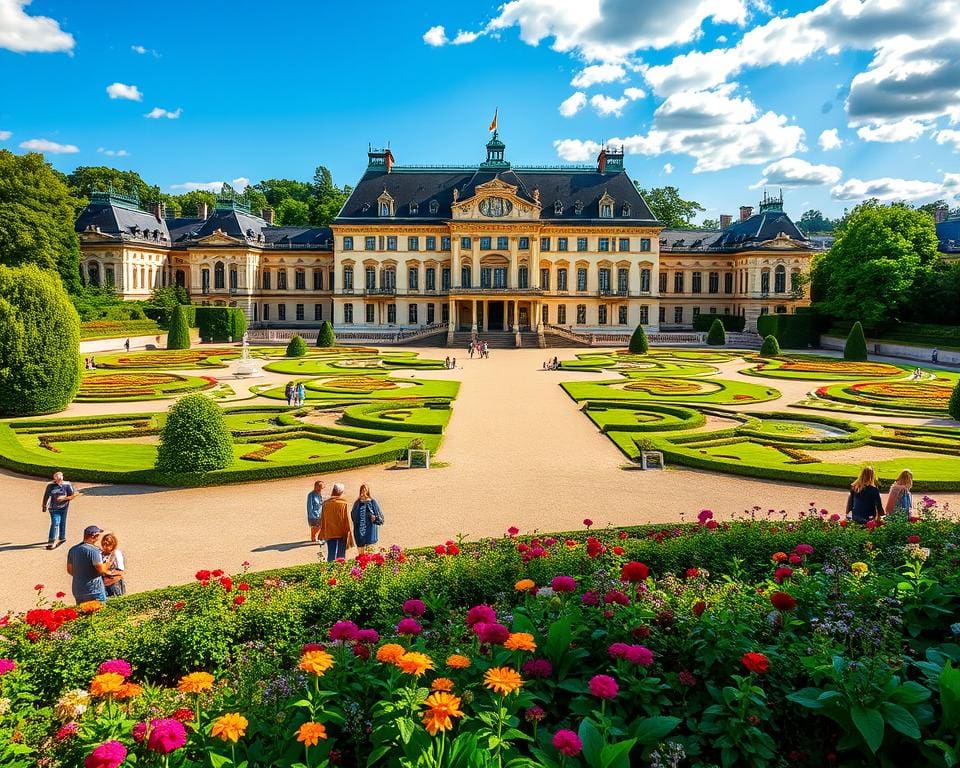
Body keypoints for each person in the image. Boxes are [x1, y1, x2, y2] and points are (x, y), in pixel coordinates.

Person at [66, 525, 109, 604]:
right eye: (98, 535)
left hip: (78, 590)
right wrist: (108, 563)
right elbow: (101, 570)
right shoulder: (94, 551)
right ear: (94, 536)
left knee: (82, 614)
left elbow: (69, 570)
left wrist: (82, 576)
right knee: (100, 612)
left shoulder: (73, 549)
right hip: (94, 590)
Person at [42, 471, 76, 550]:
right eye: (57, 479)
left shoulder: (67, 484)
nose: (59, 481)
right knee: (55, 523)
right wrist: (44, 506)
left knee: (63, 522)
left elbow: (73, 495)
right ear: (54, 478)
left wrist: (64, 498)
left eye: (60, 479)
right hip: (53, 508)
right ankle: (51, 542)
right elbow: (46, 496)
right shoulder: (50, 485)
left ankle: (62, 537)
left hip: (64, 507)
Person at [319, 483, 353, 562]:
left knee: (331, 553)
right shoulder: (344, 503)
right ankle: (340, 570)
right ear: (341, 492)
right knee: (341, 554)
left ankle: (330, 570)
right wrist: (348, 532)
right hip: (342, 531)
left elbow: (323, 519)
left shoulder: (325, 504)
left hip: (330, 531)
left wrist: (322, 531)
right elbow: (347, 519)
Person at [351, 484, 384, 554]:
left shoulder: (372, 502)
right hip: (359, 531)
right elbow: (353, 516)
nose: (364, 492)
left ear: (368, 491)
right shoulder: (357, 503)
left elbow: (380, 517)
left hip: (370, 530)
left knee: (370, 552)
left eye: (365, 490)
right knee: (361, 554)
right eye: (362, 490)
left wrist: (375, 518)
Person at [101, 533, 126, 597]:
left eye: (108, 543)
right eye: (104, 542)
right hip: (103, 584)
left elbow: (121, 570)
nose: (105, 544)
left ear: (113, 544)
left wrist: (108, 572)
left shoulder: (116, 553)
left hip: (114, 583)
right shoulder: (100, 554)